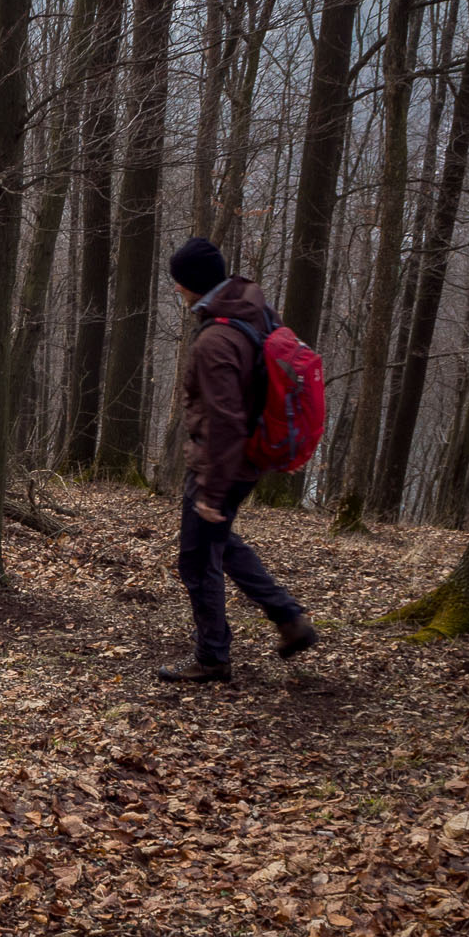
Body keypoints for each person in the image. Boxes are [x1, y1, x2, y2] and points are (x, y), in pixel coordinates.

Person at [158, 236, 319, 682]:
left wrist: (212, 489)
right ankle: (289, 620)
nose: (176, 289)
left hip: (223, 462)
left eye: (178, 281)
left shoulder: (216, 340)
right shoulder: (254, 307)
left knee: (197, 558)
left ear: (192, 283)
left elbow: (224, 419)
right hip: (248, 456)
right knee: (219, 541)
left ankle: (212, 658)